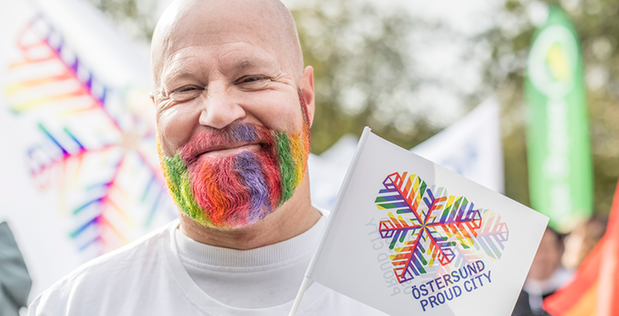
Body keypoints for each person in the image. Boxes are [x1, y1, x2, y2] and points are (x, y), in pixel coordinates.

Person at [28, 0, 386, 314]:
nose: (218, 112)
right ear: (156, 116)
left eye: (251, 78)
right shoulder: (76, 306)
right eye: (186, 89)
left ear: (305, 98)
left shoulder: (420, 290)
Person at [511, 227, 573, 316]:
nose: (540, 257)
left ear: (558, 251)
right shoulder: (512, 296)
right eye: (534, 249)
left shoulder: (572, 286)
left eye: (546, 248)